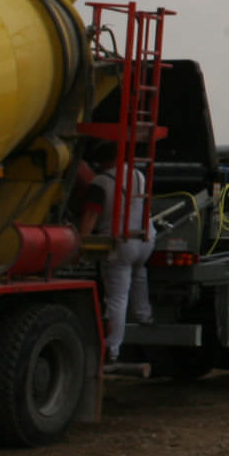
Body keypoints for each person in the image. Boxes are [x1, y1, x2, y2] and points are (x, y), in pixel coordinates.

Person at [82, 150, 151, 362]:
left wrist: (79, 243)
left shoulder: (100, 182)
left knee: (117, 298)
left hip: (120, 242)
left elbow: (91, 215)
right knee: (139, 273)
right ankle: (144, 314)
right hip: (146, 238)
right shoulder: (139, 175)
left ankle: (112, 349)